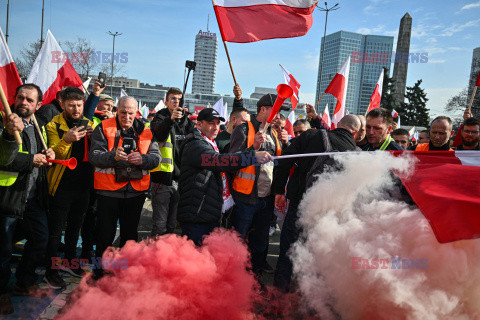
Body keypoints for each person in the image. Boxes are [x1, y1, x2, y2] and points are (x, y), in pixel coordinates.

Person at [272, 115, 361, 292]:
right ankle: (309, 298)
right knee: (318, 253)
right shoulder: (357, 152)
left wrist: (279, 191)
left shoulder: (312, 136)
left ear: (337, 126)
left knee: (288, 249)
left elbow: (284, 161)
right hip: (329, 212)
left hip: (300, 203)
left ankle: (279, 295)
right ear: (356, 132)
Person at [177, 108, 272, 245]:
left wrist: (254, 148)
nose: (216, 127)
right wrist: (252, 157)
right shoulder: (195, 145)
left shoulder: (210, 143)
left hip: (208, 212)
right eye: (211, 123)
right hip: (197, 215)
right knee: (195, 259)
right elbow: (219, 161)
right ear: (199, 125)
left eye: (217, 123)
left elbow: (227, 158)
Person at [89, 96, 160, 278]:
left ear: (136, 112)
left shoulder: (145, 131)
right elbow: (94, 156)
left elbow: (156, 158)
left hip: (135, 193)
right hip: (108, 192)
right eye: (122, 112)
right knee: (104, 236)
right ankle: (99, 273)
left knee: (130, 236)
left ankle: (126, 272)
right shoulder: (103, 127)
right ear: (116, 110)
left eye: (130, 113)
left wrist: (142, 159)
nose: (126, 117)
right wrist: (114, 156)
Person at [0, 84, 55, 314]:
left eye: (29, 100)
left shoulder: (39, 125)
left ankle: (24, 281)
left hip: (32, 199)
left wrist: (49, 153)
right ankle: (1, 292)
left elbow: (39, 153)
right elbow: (4, 159)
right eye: (20, 97)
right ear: (13, 98)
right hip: (7, 199)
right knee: (2, 251)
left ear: (38, 105)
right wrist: (31, 160)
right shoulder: (5, 123)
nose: (23, 102)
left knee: (40, 239)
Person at [43, 87, 95, 289]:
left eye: (79, 105)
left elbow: (97, 152)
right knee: (56, 231)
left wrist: (93, 137)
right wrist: (66, 140)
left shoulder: (90, 123)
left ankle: (71, 262)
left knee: (75, 228)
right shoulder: (53, 125)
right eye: (71, 105)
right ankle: (51, 270)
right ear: (62, 104)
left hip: (84, 185)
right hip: (61, 185)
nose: (75, 109)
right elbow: (52, 155)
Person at [229, 93, 282, 283]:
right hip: (245, 198)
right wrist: (253, 147)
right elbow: (232, 160)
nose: (278, 115)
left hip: (266, 200)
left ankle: (254, 280)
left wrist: (287, 144)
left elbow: (278, 163)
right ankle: (232, 279)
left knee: (260, 243)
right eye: (275, 111)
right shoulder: (243, 129)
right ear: (263, 109)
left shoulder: (275, 133)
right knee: (238, 240)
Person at [150, 87, 195, 236]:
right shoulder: (160, 117)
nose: (177, 102)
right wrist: (170, 120)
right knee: (160, 225)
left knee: (172, 224)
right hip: (162, 179)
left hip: (180, 179)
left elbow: (193, 140)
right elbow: (159, 133)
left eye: (179, 99)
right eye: (173, 99)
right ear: (166, 101)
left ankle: (166, 255)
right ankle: (154, 256)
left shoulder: (186, 120)